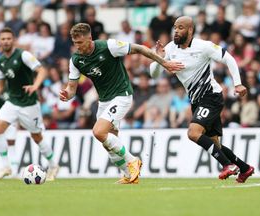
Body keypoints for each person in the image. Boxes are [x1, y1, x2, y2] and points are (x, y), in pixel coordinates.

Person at [59, 23, 184, 184]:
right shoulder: (76, 60)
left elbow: (140, 49)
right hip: (104, 100)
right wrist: (67, 94)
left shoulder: (108, 46)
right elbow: (72, 88)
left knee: (98, 132)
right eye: (75, 43)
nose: (78, 46)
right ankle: (128, 175)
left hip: (121, 95)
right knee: (108, 142)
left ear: (90, 38)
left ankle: (133, 161)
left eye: (80, 42)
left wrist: (163, 62)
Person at [150, 16, 254, 183]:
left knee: (193, 133)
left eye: (181, 27)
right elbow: (153, 74)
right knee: (215, 144)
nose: (176, 30)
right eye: (175, 27)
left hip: (211, 96)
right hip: (197, 101)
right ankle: (244, 168)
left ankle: (227, 165)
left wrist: (238, 84)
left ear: (190, 30)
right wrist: (159, 58)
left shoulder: (203, 46)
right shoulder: (170, 48)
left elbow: (229, 58)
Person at [0, 27, 59, 181]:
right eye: (3, 39)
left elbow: (42, 71)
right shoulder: (0, 61)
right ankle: (6, 166)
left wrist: (35, 86)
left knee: (37, 137)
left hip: (29, 103)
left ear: (13, 40)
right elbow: (0, 86)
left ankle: (53, 165)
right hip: (12, 102)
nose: (6, 41)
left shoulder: (23, 55)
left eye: (8, 38)